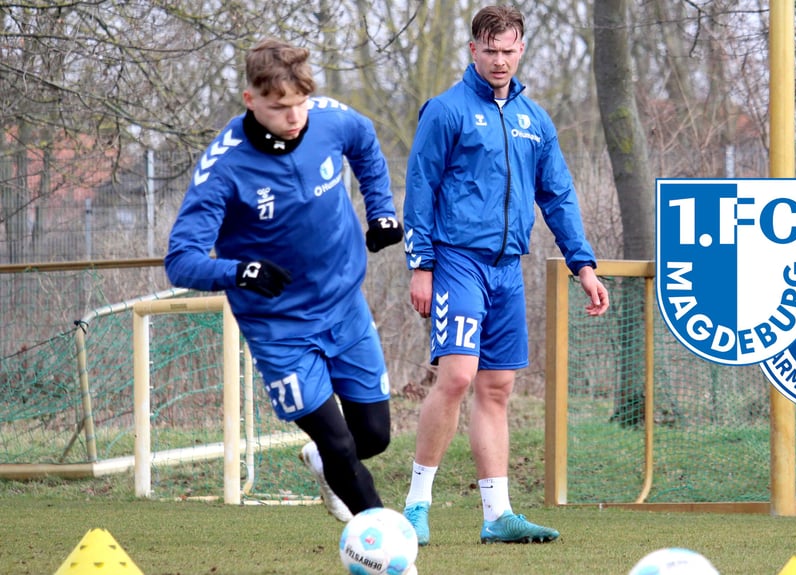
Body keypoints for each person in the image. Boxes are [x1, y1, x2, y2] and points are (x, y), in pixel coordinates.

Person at [165, 38, 404, 522]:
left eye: (300, 103)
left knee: (373, 436)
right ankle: (385, 545)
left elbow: (366, 145)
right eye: (279, 107)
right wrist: (239, 271)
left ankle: (326, 464)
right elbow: (180, 259)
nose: (294, 117)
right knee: (339, 443)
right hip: (279, 325)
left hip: (344, 305)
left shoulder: (331, 119)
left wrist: (381, 212)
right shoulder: (225, 166)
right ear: (251, 100)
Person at [401, 5, 610, 545]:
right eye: (489, 50)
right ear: (473, 50)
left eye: (508, 50)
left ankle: (498, 516)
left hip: (507, 270)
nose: (499, 60)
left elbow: (558, 195)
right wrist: (420, 266)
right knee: (457, 377)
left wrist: (582, 265)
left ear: (521, 49)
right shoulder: (445, 111)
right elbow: (420, 188)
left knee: (497, 386)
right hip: (456, 261)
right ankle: (416, 506)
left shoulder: (535, 120)